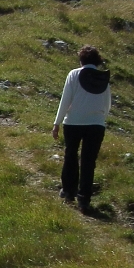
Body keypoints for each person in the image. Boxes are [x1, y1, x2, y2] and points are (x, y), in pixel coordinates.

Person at [52, 45, 111, 213]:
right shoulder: (103, 78)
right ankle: (84, 199)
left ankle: (68, 191)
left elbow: (65, 100)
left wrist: (57, 123)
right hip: (96, 125)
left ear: (81, 60)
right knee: (88, 161)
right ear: (97, 61)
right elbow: (107, 105)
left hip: (73, 122)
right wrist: (99, 118)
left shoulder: (74, 74)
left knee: (70, 155)